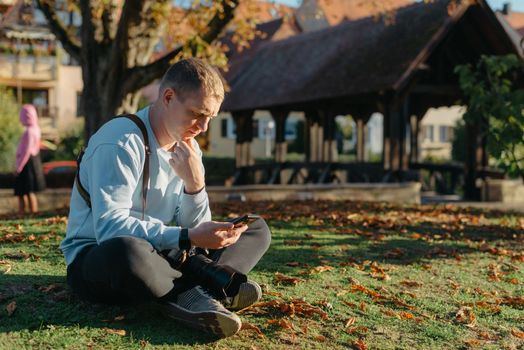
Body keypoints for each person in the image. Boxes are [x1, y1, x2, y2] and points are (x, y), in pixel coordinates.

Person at [60, 58, 271, 338]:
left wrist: (195, 186)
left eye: (211, 117)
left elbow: (195, 232)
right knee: (126, 251)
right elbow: (109, 229)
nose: (204, 127)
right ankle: (195, 292)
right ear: (168, 97)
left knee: (254, 228)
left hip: (170, 255)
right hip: (100, 257)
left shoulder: (189, 147)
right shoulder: (121, 141)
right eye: (197, 113)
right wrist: (186, 237)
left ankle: (195, 289)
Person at [14, 104, 46, 214]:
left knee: (23, 192)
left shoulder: (29, 131)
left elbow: (26, 151)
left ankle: (23, 213)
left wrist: (19, 166)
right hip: (34, 161)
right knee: (29, 191)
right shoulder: (36, 129)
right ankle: (32, 213)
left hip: (27, 164)